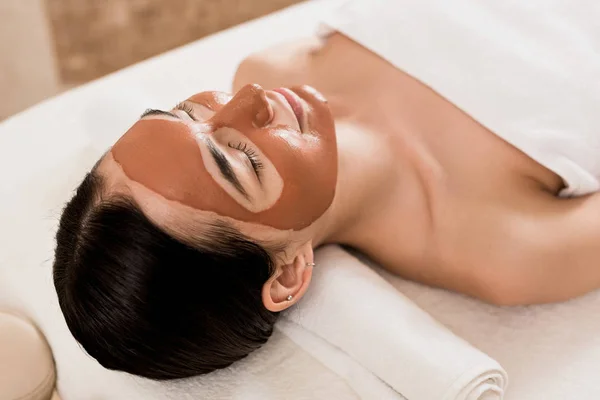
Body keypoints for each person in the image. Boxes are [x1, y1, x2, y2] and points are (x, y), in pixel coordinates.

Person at [53, 0, 600, 381]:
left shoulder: (270, 65)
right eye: (241, 162)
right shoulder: (501, 248)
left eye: (190, 111)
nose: (249, 99)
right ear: (288, 272)